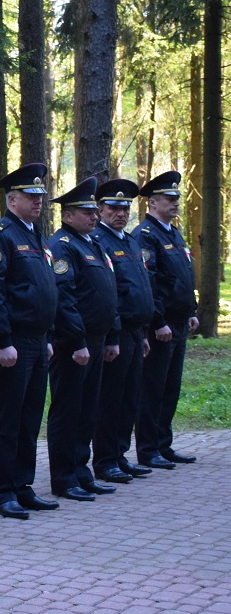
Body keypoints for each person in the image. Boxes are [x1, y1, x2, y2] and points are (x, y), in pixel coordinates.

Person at [0, 162, 59, 520]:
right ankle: (1, 492)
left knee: (30, 417)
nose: (38, 201)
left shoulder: (34, 233)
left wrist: (48, 337)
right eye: (30, 196)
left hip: (38, 341)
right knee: (8, 419)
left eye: (40, 196)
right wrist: (3, 340)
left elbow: (42, 288)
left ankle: (23, 486)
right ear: (12, 199)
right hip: (15, 343)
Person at [44, 178, 119, 502]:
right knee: (68, 410)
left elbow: (108, 290)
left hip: (96, 339)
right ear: (68, 215)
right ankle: (63, 477)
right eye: (86, 212)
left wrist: (111, 335)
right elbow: (65, 297)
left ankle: (81, 471)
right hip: (74, 344)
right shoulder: (62, 245)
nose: (93, 216)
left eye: (93, 211)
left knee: (88, 410)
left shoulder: (92, 242)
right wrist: (77, 342)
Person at [131, 170, 199, 468]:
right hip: (162, 326)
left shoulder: (173, 233)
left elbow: (182, 278)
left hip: (180, 323)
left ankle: (163, 444)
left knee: (170, 387)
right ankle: (148, 448)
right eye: (169, 199)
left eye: (176, 199)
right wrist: (158, 322)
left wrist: (192, 312)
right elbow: (150, 283)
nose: (175, 203)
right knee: (153, 388)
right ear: (152, 203)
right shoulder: (146, 236)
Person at [90, 179, 155, 483]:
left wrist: (143, 333)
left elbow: (140, 286)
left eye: (125, 207)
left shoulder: (129, 241)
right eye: (114, 207)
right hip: (116, 331)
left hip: (135, 331)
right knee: (111, 399)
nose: (121, 212)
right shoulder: (99, 240)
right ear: (100, 208)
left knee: (129, 398)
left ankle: (120, 454)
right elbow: (109, 293)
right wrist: (113, 335)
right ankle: (105, 460)